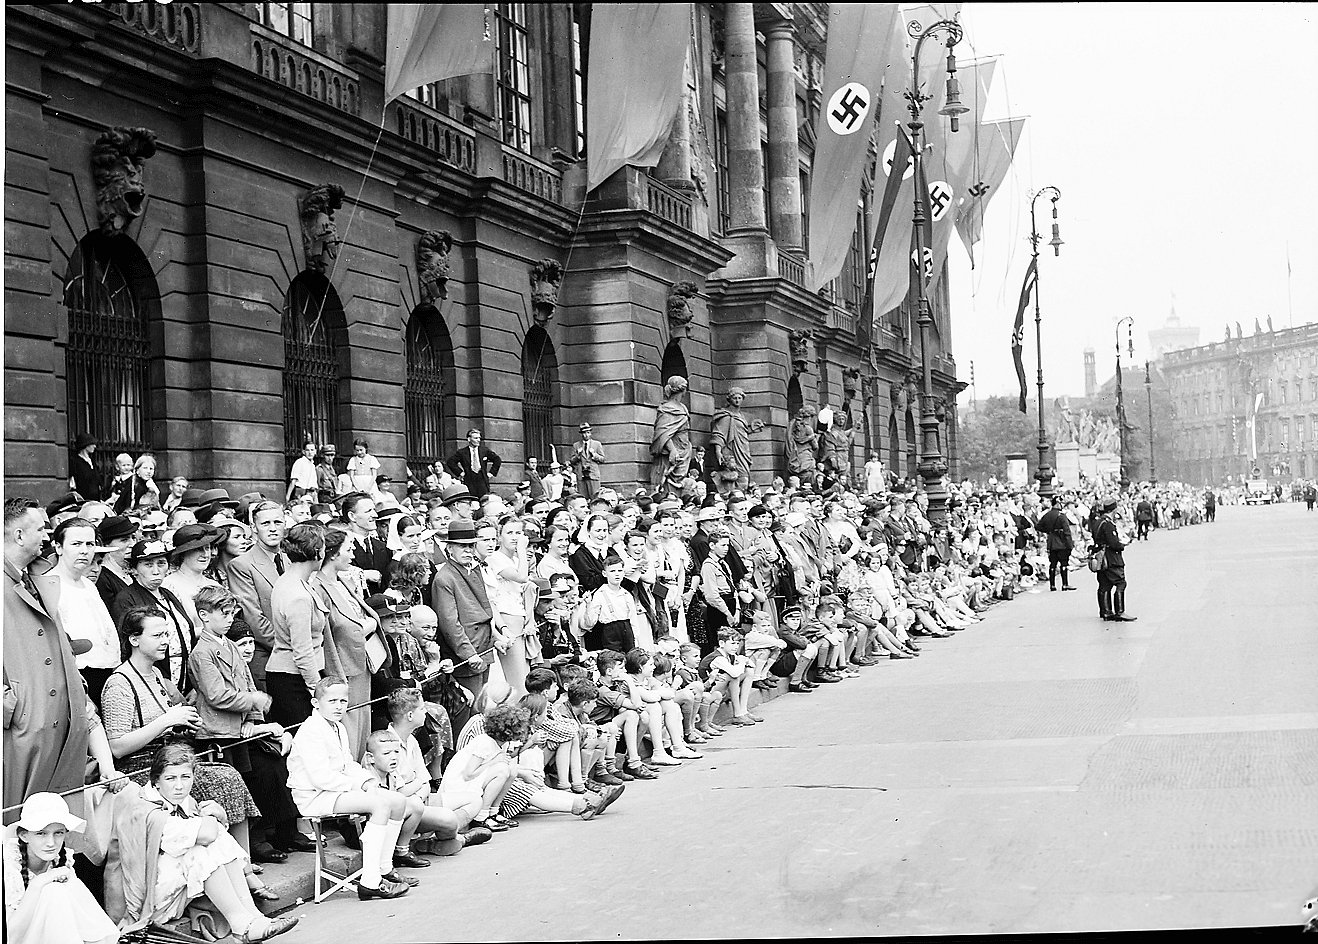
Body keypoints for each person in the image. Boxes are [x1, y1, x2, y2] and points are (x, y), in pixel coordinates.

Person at [4, 499, 122, 822]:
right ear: (19, 535)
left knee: (49, 828)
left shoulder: (38, 578)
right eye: (41, 528)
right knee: (14, 827)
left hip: (54, 729)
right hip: (21, 735)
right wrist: (14, 709)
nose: (46, 536)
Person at [188, 586, 310, 861]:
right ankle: (238, 850)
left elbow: (248, 682)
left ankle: (255, 843)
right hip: (217, 733)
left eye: (232, 613)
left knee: (250, 783)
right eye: (223, 614)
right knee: (229, 792)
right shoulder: (202, 653)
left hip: (239, 730)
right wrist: (253, 701)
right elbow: (217, 695)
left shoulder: (230, 645)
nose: (229, 619)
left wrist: (254, 720)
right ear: (204, 616)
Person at [139, 744, 299, 941]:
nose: (179, 785)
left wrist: (219, 818)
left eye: (185, 777)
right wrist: (216, 817)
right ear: (156, 781)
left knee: (218, 839)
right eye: (170, 778)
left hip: (176, 881)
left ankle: (254, 917)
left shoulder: (177, 797)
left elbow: (210, 834)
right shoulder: (149, 807)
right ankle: (241, 926)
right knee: (198, 850)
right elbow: (205, 835)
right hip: (151, 899)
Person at [285, 678, 412, 900]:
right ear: (316, 703)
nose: (339, 706)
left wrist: (366, 781)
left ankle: (384, 868)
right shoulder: (310, 731)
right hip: (315, 796)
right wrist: (358, 787)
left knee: (398, 801)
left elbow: (347, 764)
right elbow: (320, 778)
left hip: (335, 790)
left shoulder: (339, 727)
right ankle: (370, 882)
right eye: (332, 701)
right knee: (380, 805)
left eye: (343, 701)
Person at [4, 792, 119, 944]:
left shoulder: (62, 861)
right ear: (24, 835)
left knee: (69, 885)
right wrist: (39, 883)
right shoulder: (8, 867)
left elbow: (83, 918)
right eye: (41, 833)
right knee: (53, 890)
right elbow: (9, 937)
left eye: (58, 833)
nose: (51, 843)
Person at [48, 517, 121, 705]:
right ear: (59, 547)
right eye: (76, 544)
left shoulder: (88, 584)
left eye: (89, 544)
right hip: (76, 679)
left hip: (105, 673)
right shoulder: (49, 585)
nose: (84, 550)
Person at [111, 540, 197, 695]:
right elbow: (127, 647)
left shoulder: (168, 594)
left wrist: (194, 684)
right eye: (148, 565)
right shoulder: (127, 598)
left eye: (161, 563)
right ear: (134, 569)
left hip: (185, 678)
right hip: (156, 681)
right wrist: (162, 681)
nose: (156, 571)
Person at [266, 523, 328, 727]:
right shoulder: (298, 595)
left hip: (292, 676)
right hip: (294, 680)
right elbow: (302, 651)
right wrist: (317, 691)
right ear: (317, 552)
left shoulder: (289, 581)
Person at [431, 520, 497, 700]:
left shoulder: (473, 569)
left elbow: (485, 609)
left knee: (483, 703)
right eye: (462, 546)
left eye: (471, 546)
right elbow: (449, 624)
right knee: (471, 705)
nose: (468, 550)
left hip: (483, 647)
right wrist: (469, 654)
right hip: (466, 654)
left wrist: (496, 638)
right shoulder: (444, 578)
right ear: (450, 548)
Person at [225, 500, 286, 686]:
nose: (272, 529)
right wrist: (291, 648)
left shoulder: (289, 559)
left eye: (277, 522)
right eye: (265, 523)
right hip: (269, 656)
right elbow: (254, 619)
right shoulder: (242, 565)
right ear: (253, 528)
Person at [1092, 497, 1135, 623]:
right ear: (1114, 510)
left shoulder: (1098, 522)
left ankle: (1105, 611)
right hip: (1110, 557)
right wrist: (1122, 545)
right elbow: (1114, 543)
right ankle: (1120, 611)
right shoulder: (1108, 524)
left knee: (1104, 584)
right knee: (1121, 583)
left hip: (1100, 555)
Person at [1035, 496, 1077, 592]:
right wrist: (1070, 545)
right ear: (1058, 503)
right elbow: (1067, 532)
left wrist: (1049, 531)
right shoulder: (1061, 515)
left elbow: (1038, 526)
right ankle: (1065, 584)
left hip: (1051, 542)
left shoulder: (1047, 515)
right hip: (1062, 542)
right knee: (1064, 563)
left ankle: (1052, 585)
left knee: (1053, 564)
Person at [447, 428, 502, 499]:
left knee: (484, 499)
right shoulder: (462, 452)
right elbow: (450, 462)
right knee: (471, 499)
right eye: (476, 438)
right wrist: (460, 473)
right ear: (469, 439)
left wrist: (491, 473)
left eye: (479, 438)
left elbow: (497, 459)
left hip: (482, 479)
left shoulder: (484, 450)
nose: (478, 440)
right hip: (469, 479)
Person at [569, 423, 606, 499]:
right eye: (584, 433)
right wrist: (578, 455)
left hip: (593, 475)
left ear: (590, 433)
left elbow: (603, 459)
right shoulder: (576, 445)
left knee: (595, 497)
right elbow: (572, 461)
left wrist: (594, 454)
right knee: (583, 497)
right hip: (581, 475)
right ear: (581, 434)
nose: (586, 435)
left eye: (588, 432)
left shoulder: (597, 444)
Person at [69, 433, 102, 502]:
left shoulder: (92, 461)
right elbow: (73, 483)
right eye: (92, 444)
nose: (94, 446)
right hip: (83, 500)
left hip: (95, 500)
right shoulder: (75, 462)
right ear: (86, 445)